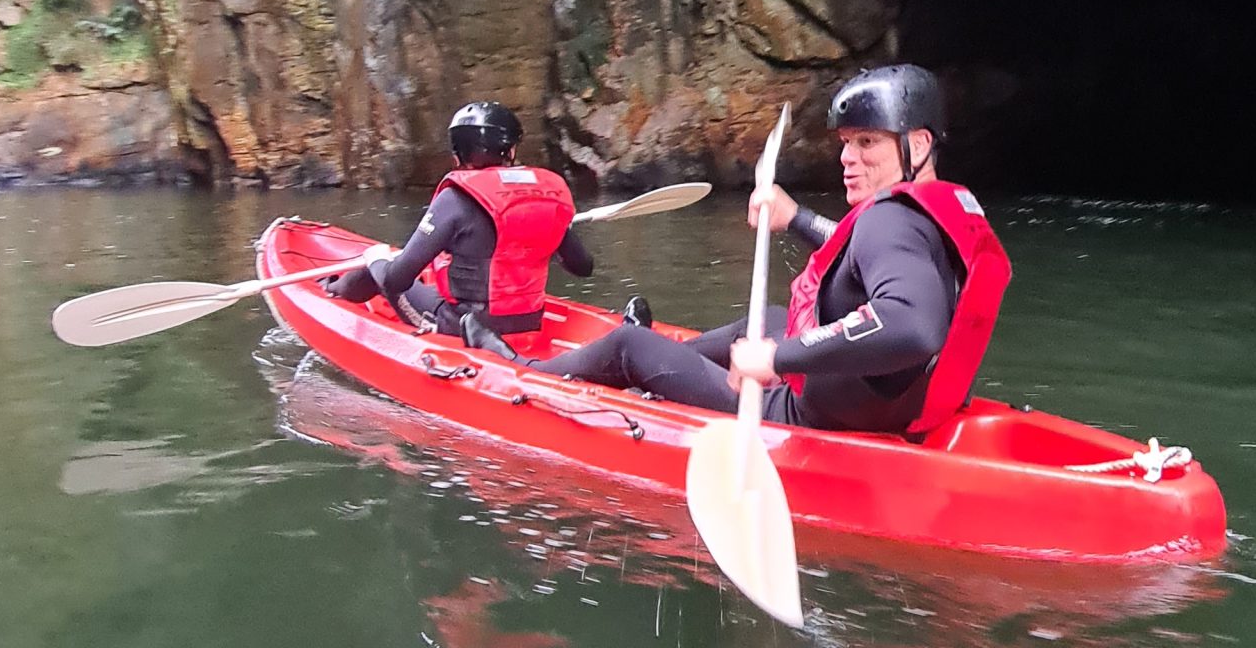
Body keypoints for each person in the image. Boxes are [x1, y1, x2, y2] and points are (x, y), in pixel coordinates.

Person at [544, 65, 1011, 437]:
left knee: (630, 345)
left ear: (919, 143)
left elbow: (912, 325)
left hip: (808, 417)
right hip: (898, 408)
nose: (847, 157)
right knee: (765, 321)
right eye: (846, 142)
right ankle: (679, 363)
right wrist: (796, 218)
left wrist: (774, 360)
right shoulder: (933, 213)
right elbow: (867, 259)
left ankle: (527, 369)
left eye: (867, 142)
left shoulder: (887, 219)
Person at [327, 101, 594, 348]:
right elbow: (582, 267)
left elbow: (397, 280)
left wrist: (376, 259)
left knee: (379, 267)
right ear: (511, 150)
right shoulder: (545, 194)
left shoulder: (455, 198)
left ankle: (332, 290)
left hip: (464, 326)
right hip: (529, 321)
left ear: (457, 155)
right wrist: (558, 230)